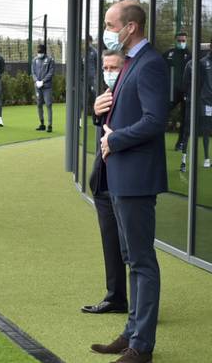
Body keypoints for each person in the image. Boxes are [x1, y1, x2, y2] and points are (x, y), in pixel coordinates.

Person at [91, 0, 168, 363]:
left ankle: (142, 347)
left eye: (109, 23)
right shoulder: (130, 62)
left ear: (130, 27)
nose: (106, 29)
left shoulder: (150, 63)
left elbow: (155, 121)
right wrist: (100, 114)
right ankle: (132, 333)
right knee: (130, 257)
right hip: (119, 176)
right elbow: (121, 112)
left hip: (136, 179)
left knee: (141, 262)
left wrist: (115, 139)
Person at [83, 50, 128, 315]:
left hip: (126, 181)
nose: (108, 72)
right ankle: (115, 298)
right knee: (110, 242)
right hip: (102, 181)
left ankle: (141, 309)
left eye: (113, 68)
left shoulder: (130, 93)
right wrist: (96, 112)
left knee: (131, 247)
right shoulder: (105, 94)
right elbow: (102, 131)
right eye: (105, 67)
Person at [180, 42, 212, 171]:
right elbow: (185, 83)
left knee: (206, 129)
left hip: (206, 102)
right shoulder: (192, 64)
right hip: (194, 102)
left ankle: (206, 158)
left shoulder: (204, 63)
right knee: (188, 130)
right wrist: (188, 97)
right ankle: (183, 161)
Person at [163, 32, 191, 151]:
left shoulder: (190, 55)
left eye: (183, 41)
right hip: (171, 91)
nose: (181, 43)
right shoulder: (169, 54)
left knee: (185, 118)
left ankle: (181, 144)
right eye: (179, 40)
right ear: (175, 41)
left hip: (186, 91)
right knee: (162, 113)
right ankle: (156, 139)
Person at [32, 44, 55, 133]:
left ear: (44, 52)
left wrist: (43, 81)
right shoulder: (35, 60)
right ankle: (42, 124)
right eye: (38, 52)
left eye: (41, 52)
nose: (39, 53)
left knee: (48, 105)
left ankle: (49, 125)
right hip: (38, 86)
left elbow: (51, 72)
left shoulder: (50, 60)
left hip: (47, 87)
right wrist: (36, 81)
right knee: (39, 105)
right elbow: (33, 72)